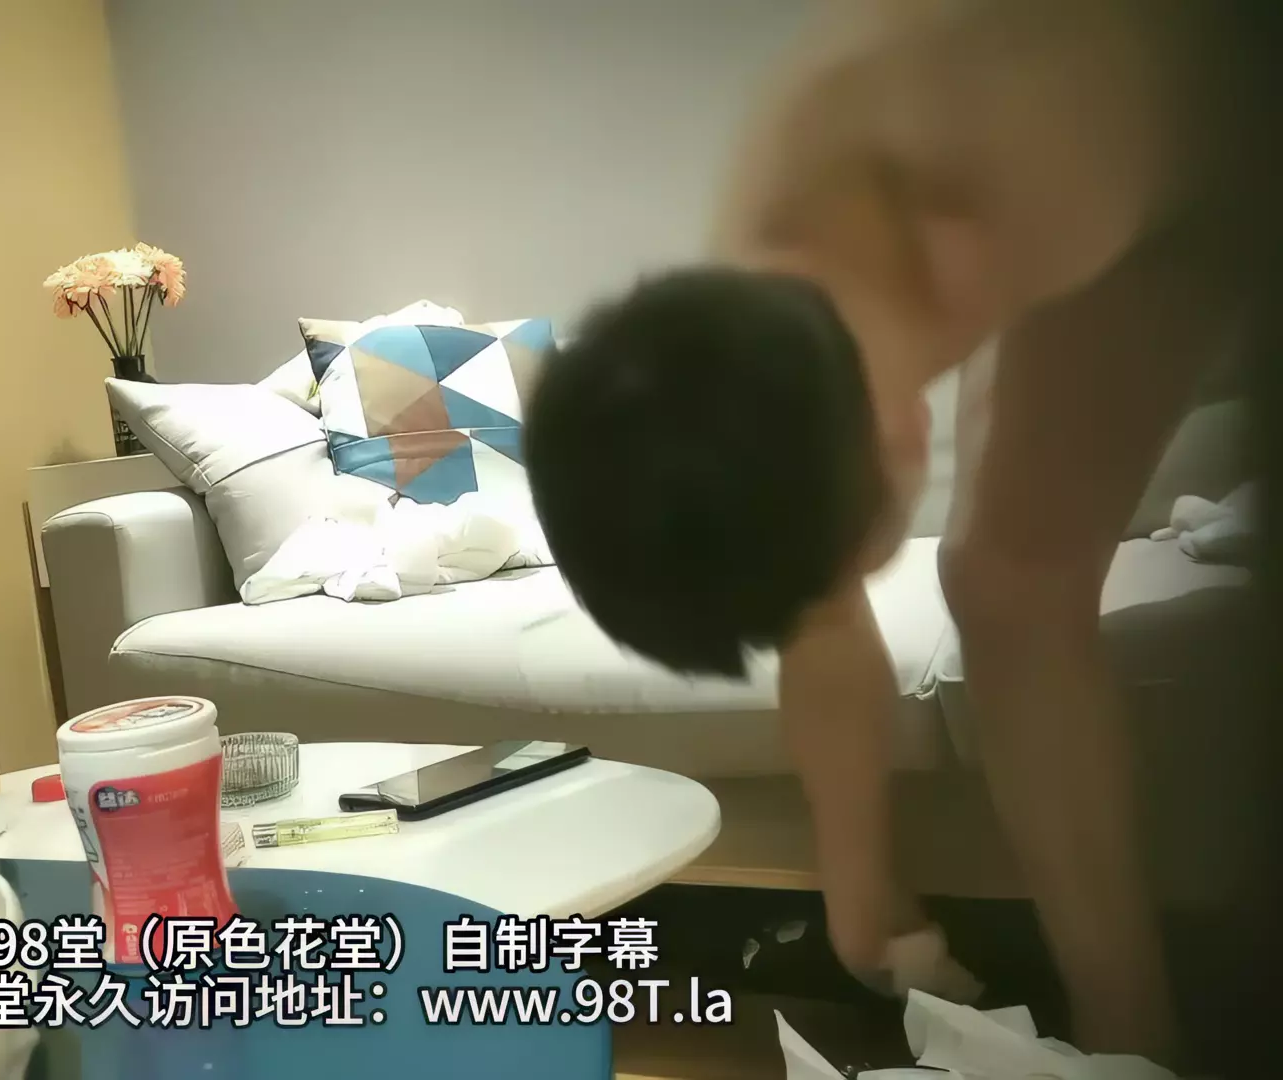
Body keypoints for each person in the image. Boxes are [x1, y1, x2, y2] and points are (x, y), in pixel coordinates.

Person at [524, 0, 1279, 1064]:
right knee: (1008, 585)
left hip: (1211, 111)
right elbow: (820, 613)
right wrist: (855, 881)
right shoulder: (747, 340)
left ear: (904, 437)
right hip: (1066, 153)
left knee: (1017, 572)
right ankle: (1132, 1040)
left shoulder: (1022, 158)